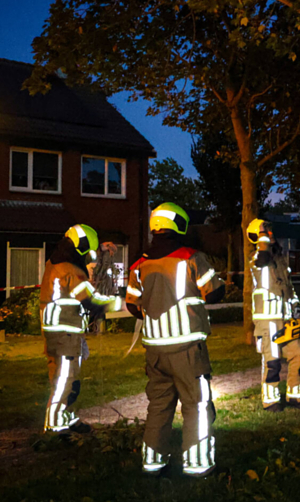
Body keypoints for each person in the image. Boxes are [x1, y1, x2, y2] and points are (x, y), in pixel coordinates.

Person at [125, 203, 225, 477]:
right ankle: (198, 465)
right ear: (178, 225)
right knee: (197, 405)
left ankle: (153, 464)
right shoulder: (191, 257)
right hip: (187, 350)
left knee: (159, 405)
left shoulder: (139, 264)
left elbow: (132, 305)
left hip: (155, 351)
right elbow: (214, 292)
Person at [39, 224, 120, 434]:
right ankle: (55, 427)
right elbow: (90, 300)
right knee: (66, 382)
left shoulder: (55, 261)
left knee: (63, 378)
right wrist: (118, 304)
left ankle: (67, 417)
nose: (88, 258)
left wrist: (101, 249)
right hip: (65, 332)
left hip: (59, 331)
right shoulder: (70, 270)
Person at [247, 218, 300, 411]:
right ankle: (271, 402)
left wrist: (299, 312)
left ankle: (296, 397)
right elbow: (262, 258)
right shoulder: (256, 259)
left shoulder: (280, 261)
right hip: (267, 321)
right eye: (264, 231)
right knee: (272, 362)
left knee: (299, 356)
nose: (270, 234)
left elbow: (289, 290)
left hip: (286, 319)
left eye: (270, 230)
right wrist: (262, 239)